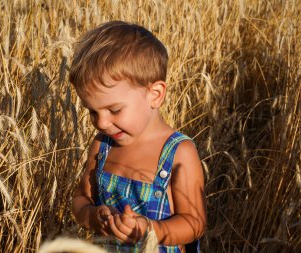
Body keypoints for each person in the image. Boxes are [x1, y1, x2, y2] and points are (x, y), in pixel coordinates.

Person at [70, 20, 206, 253]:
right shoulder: (102, 146)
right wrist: (94, 216)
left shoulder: (179, 152)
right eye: (92, 111)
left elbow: (195, 224)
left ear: (154, 95)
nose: (101, 123)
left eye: (114, 110)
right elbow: (80, 199)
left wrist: (150, 230)